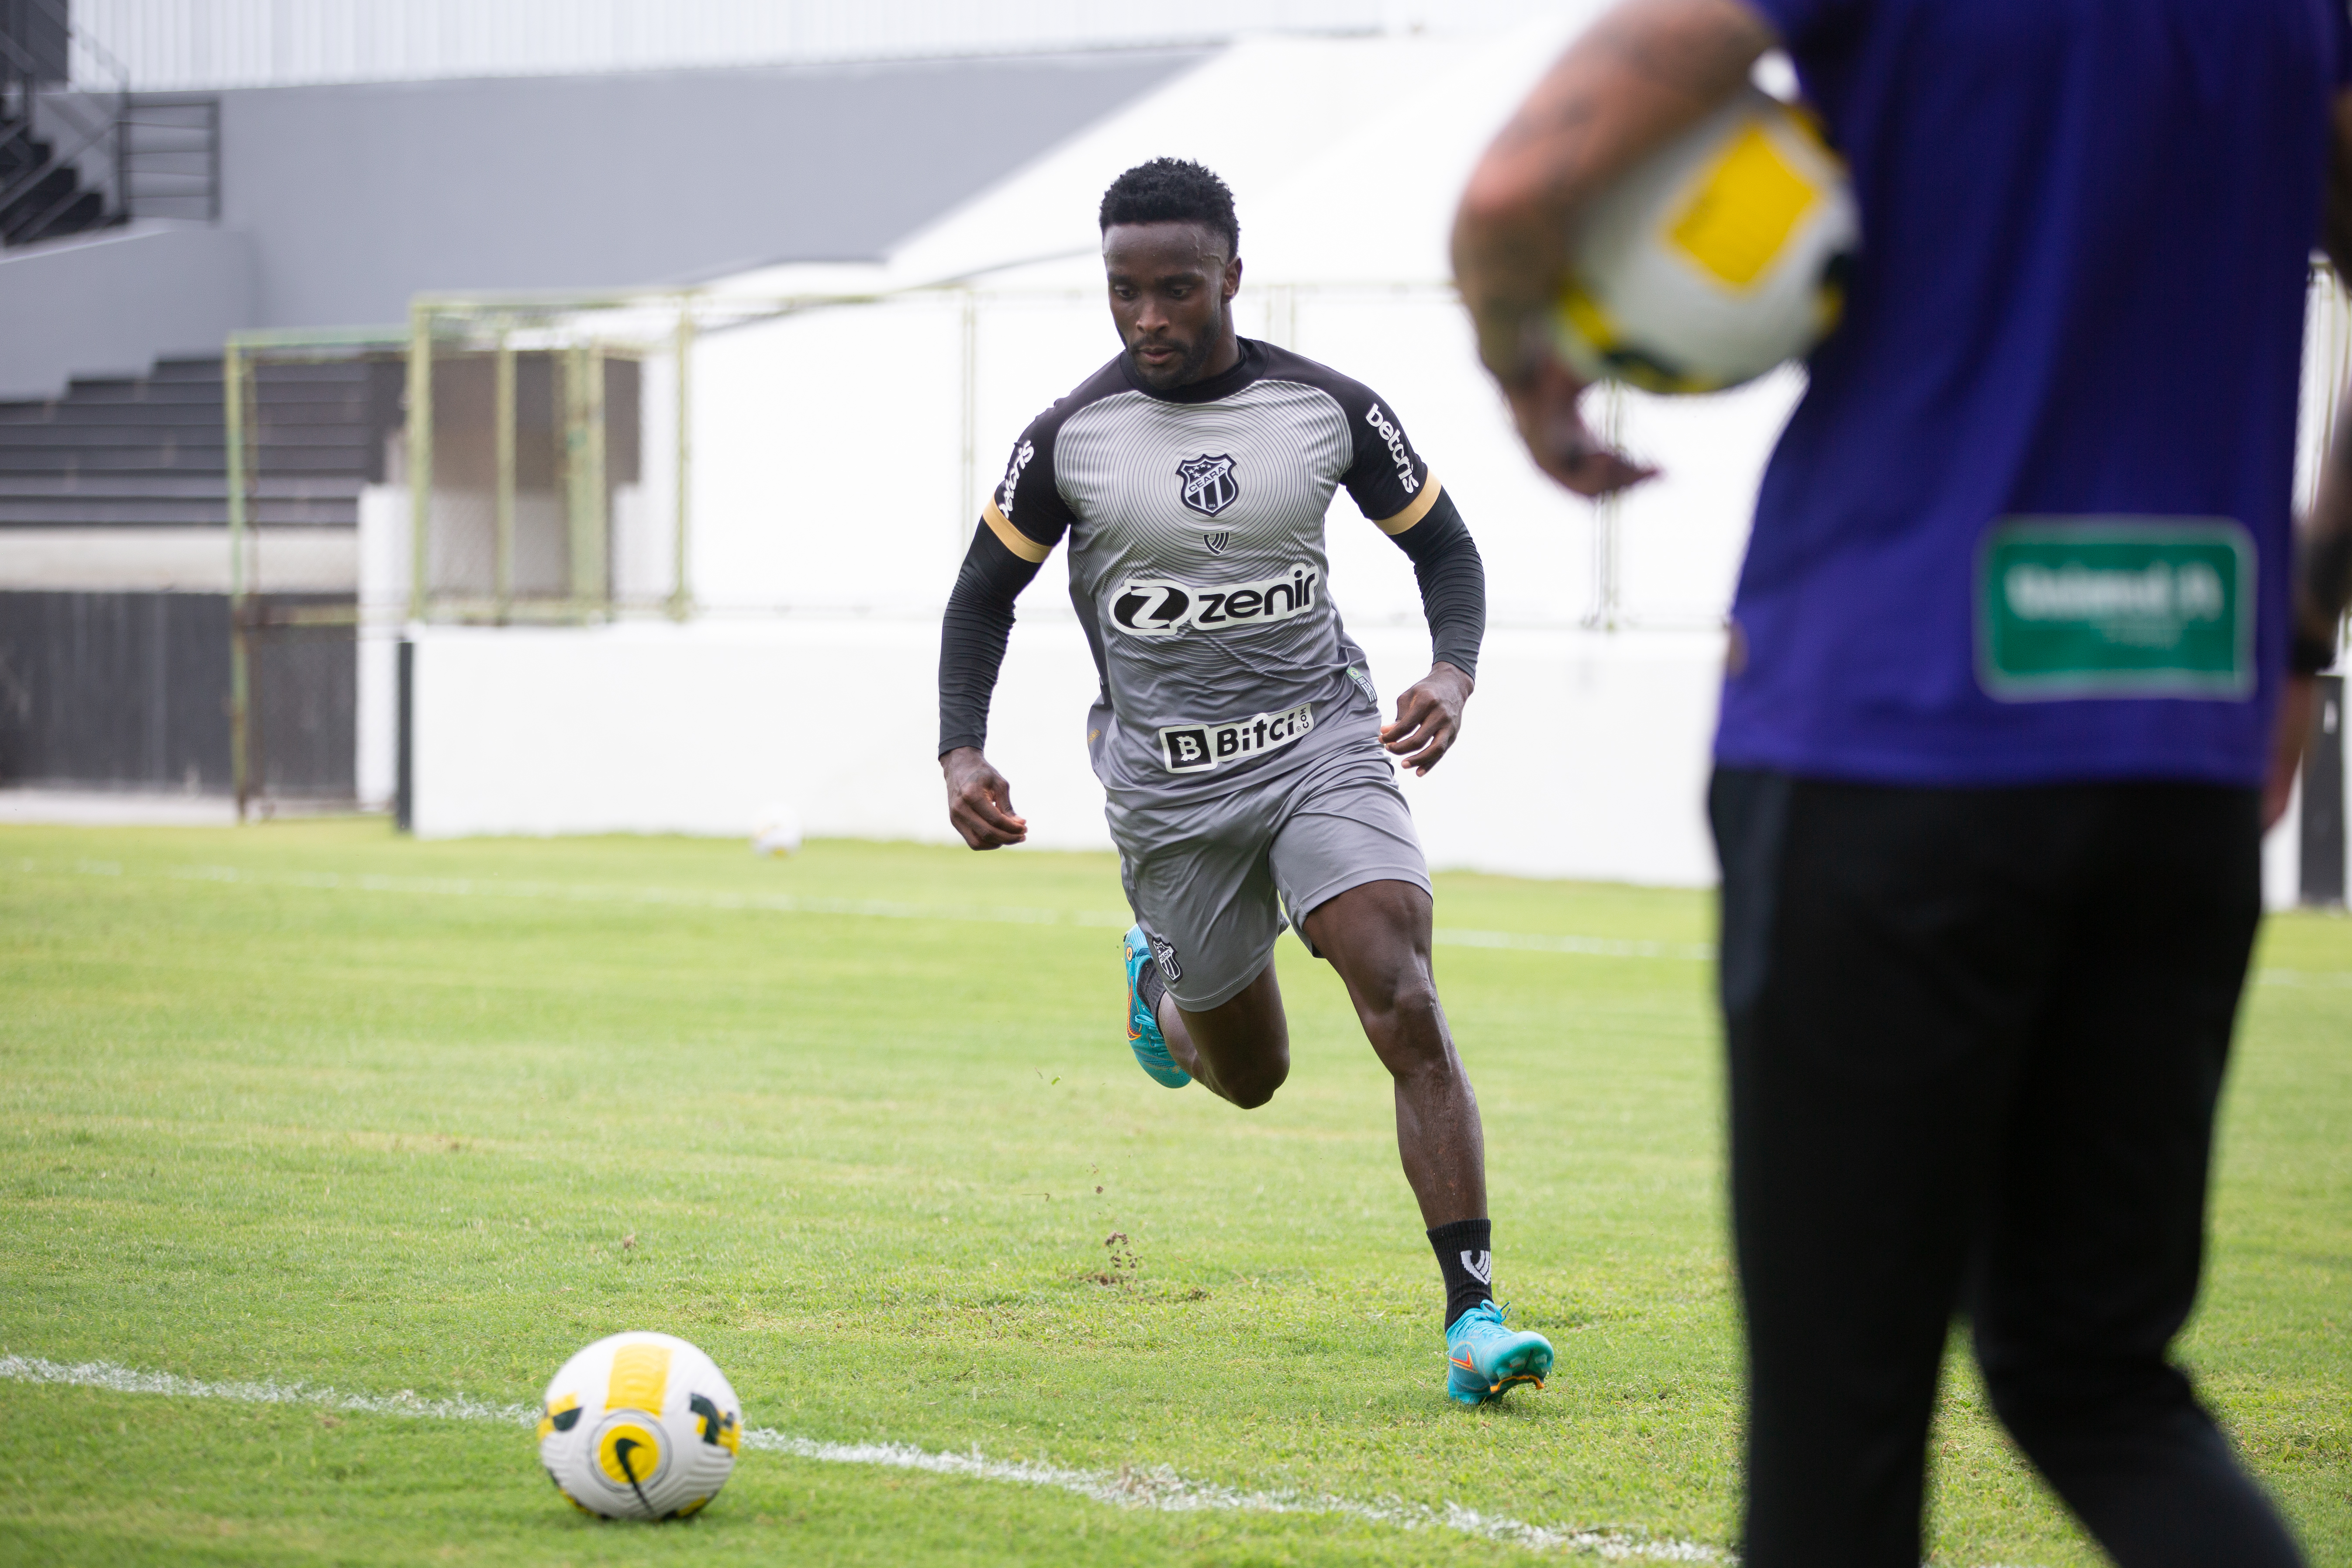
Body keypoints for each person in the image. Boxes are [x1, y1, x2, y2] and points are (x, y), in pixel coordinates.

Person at [1452, 0, 2352, 1562]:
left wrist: (1524, 367)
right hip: (2174, 744)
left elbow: (1513, 197)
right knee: (2099, 1383)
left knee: (1838, 1439)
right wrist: (2295, 633)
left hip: (1887, 734)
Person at [936, 157, 1553, 1406]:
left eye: (1175, 289)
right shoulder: (1069, 440)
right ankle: (1155, 985)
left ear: (1231, 274)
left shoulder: (1327, 410)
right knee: (1249, 1075)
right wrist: (960, 748)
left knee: (1401, 985)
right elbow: (978, 600)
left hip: (1321, 744)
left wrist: (1453, 672)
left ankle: (1473, 1316)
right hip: (1170, 800)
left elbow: (1444, 546)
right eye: (1123, 293)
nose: (1149, 318)